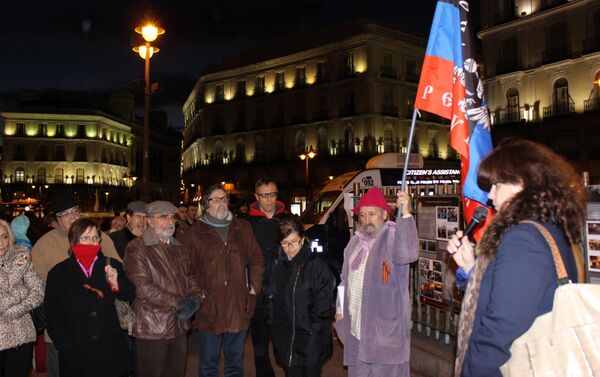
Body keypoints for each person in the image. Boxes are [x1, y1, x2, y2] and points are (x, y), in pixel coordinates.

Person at [448, 139, 586, 377]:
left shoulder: (523, 239)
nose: (490, 196)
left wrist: (471, 371)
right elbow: (508, 296)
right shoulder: (547, 228)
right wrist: (471, 267)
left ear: (521, 183)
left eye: (496, 185)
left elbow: (499, 329)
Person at [31, 192, 121, 377]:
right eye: (66, 214)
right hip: (63, 333)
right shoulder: (44, 246)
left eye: (75, 210)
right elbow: (37, 290)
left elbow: (120, 272)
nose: (73, 216)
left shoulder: (99, 237)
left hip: (100, 331)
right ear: (55, 219)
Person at [179, 184, 265, 377]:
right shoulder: (194, 233)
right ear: (205, 205)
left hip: (238, 306)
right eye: (216, 200)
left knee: (235, 364)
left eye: (224, 199)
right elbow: (186, 269)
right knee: (209, 365)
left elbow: (257, 259)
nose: (222, 203)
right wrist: (199, 294)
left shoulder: (242, 227)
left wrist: (253, 287)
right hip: (210, 308)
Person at [333, 187, 418, 377]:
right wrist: (339, 310)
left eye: (372, 214)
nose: (366, 220)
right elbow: (344, 280)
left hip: (384, 337)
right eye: (362, 215)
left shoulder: (392, 237)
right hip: (356, 334)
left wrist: (405, 215)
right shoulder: (354, 244)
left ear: (385, 215)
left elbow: (409, 252)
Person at [44, 218, 135, 377]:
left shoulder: (111, 265)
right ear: (73, 241)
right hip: (76, 353)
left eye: (94, 238)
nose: (91, 243)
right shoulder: (58, 273)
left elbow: (129, 295)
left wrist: (115, 283)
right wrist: (65, 346)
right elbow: (52, 315)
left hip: (110, 350)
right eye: (85, 238)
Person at [124, 201, 203, 377]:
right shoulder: (137, 247)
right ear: (150, 221)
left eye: (172, 217)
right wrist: (180, 304)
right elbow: (143, 287)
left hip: (179, 325)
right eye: (163, 217)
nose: (170, 222)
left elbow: (191, 278)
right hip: (152, 328)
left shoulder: (179, 248)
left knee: (176, 372)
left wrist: (196, 299)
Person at [266, 217, 335, 377]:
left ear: (303, 239)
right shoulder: (276, 265)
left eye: (294, 242)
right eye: (284, 243)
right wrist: (273, 324)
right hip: (285, 338)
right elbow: (270, 297)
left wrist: (314, 330)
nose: (289, 248)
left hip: (311, 339)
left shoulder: (316, 266)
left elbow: (324, 305)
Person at [246, 177, 287, 377]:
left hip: (283, 291)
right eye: (264, 195)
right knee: (260, 344)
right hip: (259, 291)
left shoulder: (287, 221)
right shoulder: (247, 224)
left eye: (272, 194)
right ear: (256, 197)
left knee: (285, 342)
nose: (269, 200)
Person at [0, 219, 45, 377]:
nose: (1, 243)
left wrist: (14, 311)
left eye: (4, 237)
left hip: (21, 335)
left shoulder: (22, 257)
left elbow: (38, 292)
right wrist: (21, 292)